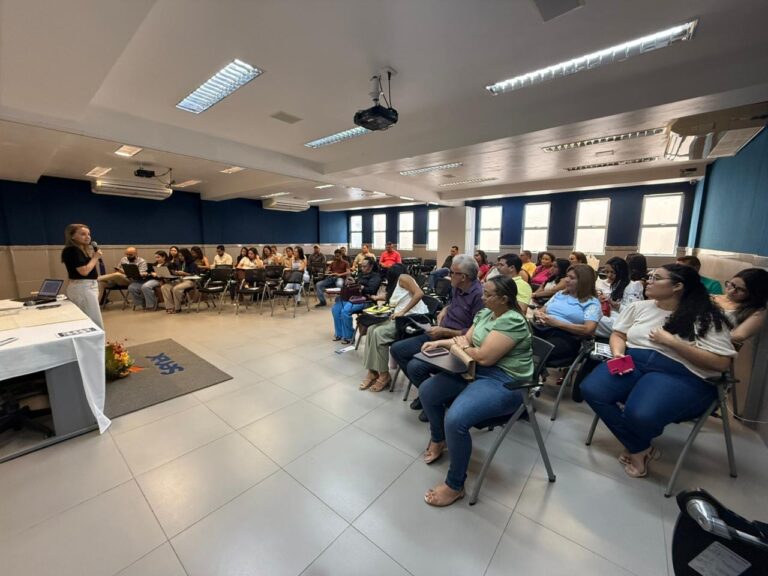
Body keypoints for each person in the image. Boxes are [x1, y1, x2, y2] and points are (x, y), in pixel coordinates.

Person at [581, 264, 736, 479]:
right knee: (591, 389)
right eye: (650, 276)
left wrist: (673, 342)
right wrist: (618, 354)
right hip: (633, 361)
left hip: (678, 371)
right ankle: (640, 447)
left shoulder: (705, 317)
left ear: (677, 286)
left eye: (656, 277)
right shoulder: (640, 307)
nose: (649, 281)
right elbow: (618, 334)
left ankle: (635, 447)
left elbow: (721, 363)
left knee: (640, 414)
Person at [419, 276, 534, 506]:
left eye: (488, 294)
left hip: (505, 381)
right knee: (428, 391)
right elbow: (465, 339)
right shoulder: (486, 314)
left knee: (455, 420)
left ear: (504, 299)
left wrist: (465, 347)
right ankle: (439, 439)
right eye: (483, 292)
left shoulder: (512, 320)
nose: (482, 298)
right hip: (476, 370)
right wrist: (442, 343)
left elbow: (485, 356)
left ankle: (455, 485)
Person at [390, 254, 484, 420]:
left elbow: (475, 334)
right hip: (440, 332)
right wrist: (446, 309)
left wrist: (445, 332)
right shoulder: (457, 286)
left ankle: (432, 397)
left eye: (453, 272)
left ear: (463, 277)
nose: (449, 275)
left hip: (455, 342)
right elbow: (454, 304)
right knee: (397, 349)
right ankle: (428, 394)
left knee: (415, 366)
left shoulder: (480, 296)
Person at [360, 266, 428, 393]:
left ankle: (384, 375)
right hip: (400, 319)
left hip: (413, 320)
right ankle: (372, 371)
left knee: (379, 333)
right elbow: (393, 297)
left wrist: (403, 311)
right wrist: (376, 298)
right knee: (371, 330)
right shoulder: (396, 283)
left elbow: (419, 293)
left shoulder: (404, 277)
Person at [533, 264, 601, 364]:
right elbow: (542, 310)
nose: (566, 280)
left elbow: (588, 330)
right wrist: (538, 314)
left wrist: (557, 323)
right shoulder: (560, 294)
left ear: (583, 281)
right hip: (543, 328)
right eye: (567, 276)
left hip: (567, 337)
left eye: (572, 278)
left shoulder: (591, 302)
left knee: (531, 350)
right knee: (516, 339)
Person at [60, 223, 104, 329]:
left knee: (90, 317)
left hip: (86, 287)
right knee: (93, 320)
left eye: (88, 234)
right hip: (83, 289)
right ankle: (97, 344)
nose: (87, 236)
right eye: (83, 234)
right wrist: (95, 258)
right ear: (72, 236)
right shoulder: (72, 250)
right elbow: (84, 271)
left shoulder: (81, 250)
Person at [332, 257, 382, 344]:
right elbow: (356, 283)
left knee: (345, 311)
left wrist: (359, 286)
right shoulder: (361, 274)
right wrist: (352, 281)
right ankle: (339, 334)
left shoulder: (376, 276)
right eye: (361, 266)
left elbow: (371, 290)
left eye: (364, 266)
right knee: (335, 309)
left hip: (365, 300)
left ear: (371, 266)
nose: (362, 268)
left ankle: (349, 336)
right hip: (353, 297)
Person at [713, 268, 768, 346]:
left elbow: (738, 336)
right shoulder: (711, 297)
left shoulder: (755, 312)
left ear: (753, 294)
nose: (731, 291)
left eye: (741, 290)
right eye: (732, 285)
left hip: (714, 347)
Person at [596, 257, 645, 338]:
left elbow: (634, 312)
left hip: (626, 322)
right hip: (615, 317)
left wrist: (616, 305)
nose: (609, 275)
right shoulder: (616, 284)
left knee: (593, 319)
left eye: (613, 272)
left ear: (622, 272)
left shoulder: (634, 286)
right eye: (607, 272)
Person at [160, 248, 199, 314]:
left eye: (181, 256)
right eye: (179, 256)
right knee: (164, 287)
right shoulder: (179, 263)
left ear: (186, 255)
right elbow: (176, 272)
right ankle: (170, 307)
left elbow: (195, 275)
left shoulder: (192, 263)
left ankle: (177, 308)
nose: (180, 257)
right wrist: (174, 273)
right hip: (179, 279)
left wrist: (184, 273)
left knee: (176, 288)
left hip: (190, 281)